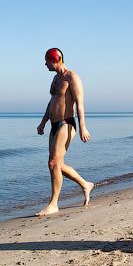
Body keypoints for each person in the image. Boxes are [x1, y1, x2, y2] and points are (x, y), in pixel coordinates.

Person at [36, 48, 93, 216]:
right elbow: (52, 102)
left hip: (67, 124)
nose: (44, 64)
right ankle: (85, 184)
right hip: (54, 124)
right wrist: (43, 122)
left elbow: (80, 104)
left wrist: (83, 126)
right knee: (56, 164)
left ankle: (54, 203)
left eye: (46, 61)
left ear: (54, 60)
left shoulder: (72, 77)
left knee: (53, 163)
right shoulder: (55, 79)